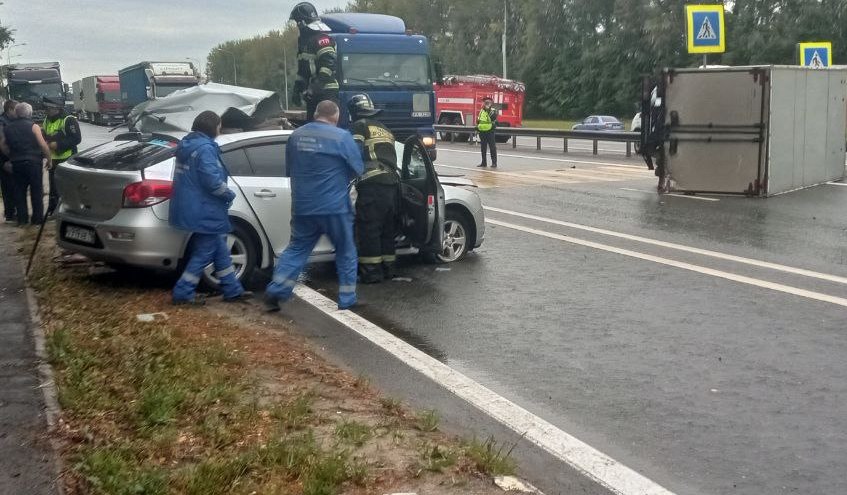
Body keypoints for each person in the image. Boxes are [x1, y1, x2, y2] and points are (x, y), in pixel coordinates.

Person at [265, 100, 363, 312]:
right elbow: (358, 168)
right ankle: (347, 298)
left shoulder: (296, 136)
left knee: (297, 249)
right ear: (335, 117)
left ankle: (277, 289)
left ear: (316, 114)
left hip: (303, 205)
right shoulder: (342, 137)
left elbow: (290, 169)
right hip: (334, 207)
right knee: (345, 250)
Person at [169, 111, 252, 305]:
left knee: (220, 249)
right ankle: (183, 292)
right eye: (219, 126)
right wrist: (229, 194)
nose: (220, 129)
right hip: (206, 209)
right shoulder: (205, 149)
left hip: (193, 207)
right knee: (204, 252)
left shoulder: (187, 145)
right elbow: (212, 181)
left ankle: (232, 289)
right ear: (214, 128)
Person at [348, 93, 401, 283]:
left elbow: (353, 152)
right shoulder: (385, 129)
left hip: (373, 184)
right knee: (387, 230)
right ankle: (389, 269)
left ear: (354, 112)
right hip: (392, 185)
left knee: (369, 230)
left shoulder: (359, 125)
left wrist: (350, 174)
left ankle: (372, 273)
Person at [0, 103, 52, 226]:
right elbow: (42, 144)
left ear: (17, 113)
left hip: (17, 163)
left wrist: (11, 155)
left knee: (19, 191)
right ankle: (37, 219)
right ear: (29, 113)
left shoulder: (8, 127)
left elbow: (2, 145)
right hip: (33, 163)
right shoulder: (34, 126)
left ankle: (22, 219)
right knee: (36, 191)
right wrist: (49, 159)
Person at [290, 2, 339, 121]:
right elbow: (303, 71)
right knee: (312, 125)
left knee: (325, 124)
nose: (297, 26)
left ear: (302, 22)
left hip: (326, 91)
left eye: (297, 22)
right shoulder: (305, 43)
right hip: (313, 92)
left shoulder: (322, 39)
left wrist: (315, 87)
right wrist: (297, 89)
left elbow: (328, 66)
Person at [42, 96, 81, 213]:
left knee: (68, 186)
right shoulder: (47, 119)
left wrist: (58, 144)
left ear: (56, 108)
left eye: (48, 108)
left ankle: (72, 209)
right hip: (52, 159)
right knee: (53, 187)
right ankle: (53, 209)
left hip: (67, 159)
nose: (46, 111)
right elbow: (45, 135)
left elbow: (76, 139)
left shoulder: (68, 120)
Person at [0, 100, 18, 222]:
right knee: (9, 187)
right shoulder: (2, 123)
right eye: (16, 110)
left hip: (7, 159)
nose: (17, 112)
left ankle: (11, 212)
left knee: (12, 186)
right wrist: (12, 158)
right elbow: (3, 144)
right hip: (5, 160)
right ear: (10, 110)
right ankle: (10, 214)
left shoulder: (9, 121)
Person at [476, 96, 498, 169]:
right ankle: (483, 162)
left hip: (490, 131)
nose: (486, 103)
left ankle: (494, 163)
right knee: (483, 147)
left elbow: (493, 117)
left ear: (491, 103)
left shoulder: (493, 110)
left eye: (488, 102)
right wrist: (477, 127)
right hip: (482, 131)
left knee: (492, 147)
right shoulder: (481, 111)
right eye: (485, 102)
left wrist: (488, 109)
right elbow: (479, 120)